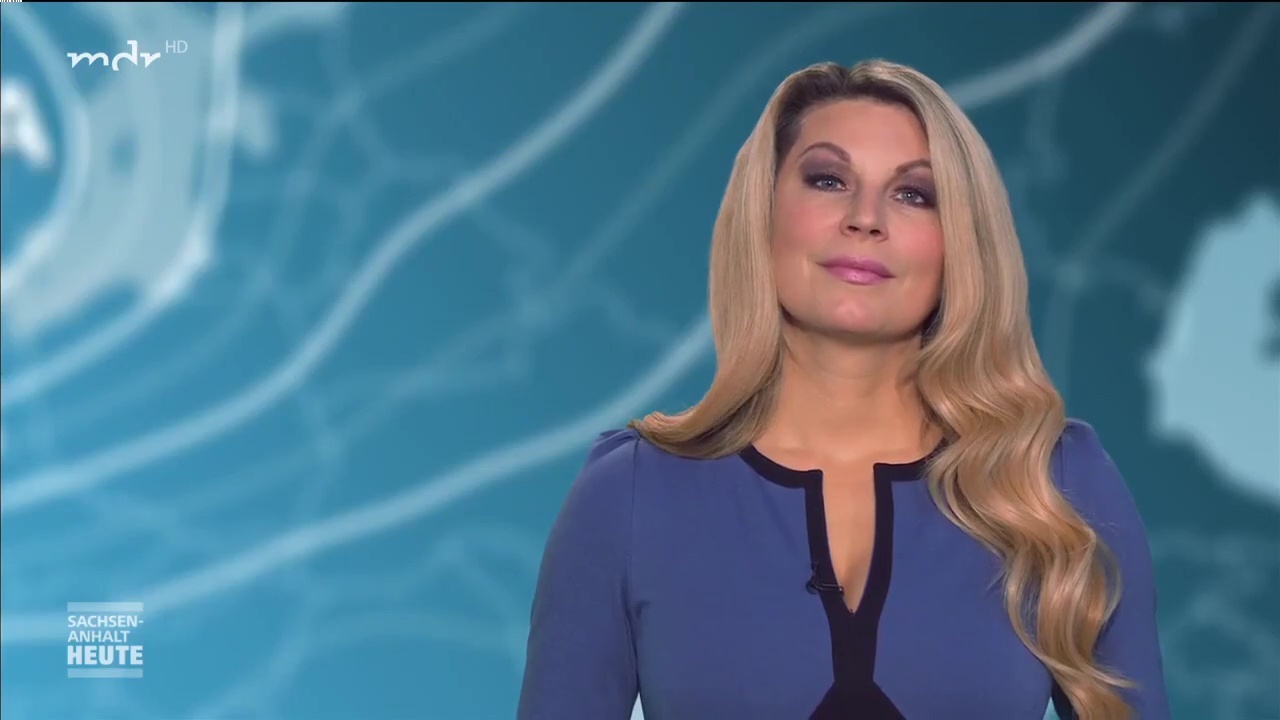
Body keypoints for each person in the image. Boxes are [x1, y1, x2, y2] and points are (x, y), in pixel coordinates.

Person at [516, 59, 1170, 720]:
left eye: (914, 194)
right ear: (764, 215)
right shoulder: (630, 493)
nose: (865, 218)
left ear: (960, 244)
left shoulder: (1054, 483)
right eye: (828, 180)